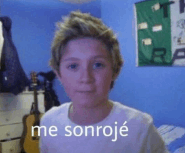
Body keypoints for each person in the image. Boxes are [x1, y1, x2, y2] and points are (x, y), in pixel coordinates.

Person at [39, 10, 168, 153]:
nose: (86, 78)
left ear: (115, 70)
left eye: (97, 65)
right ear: (59, 74)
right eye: (73, 66)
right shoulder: (48, 123)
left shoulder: (141, 128)